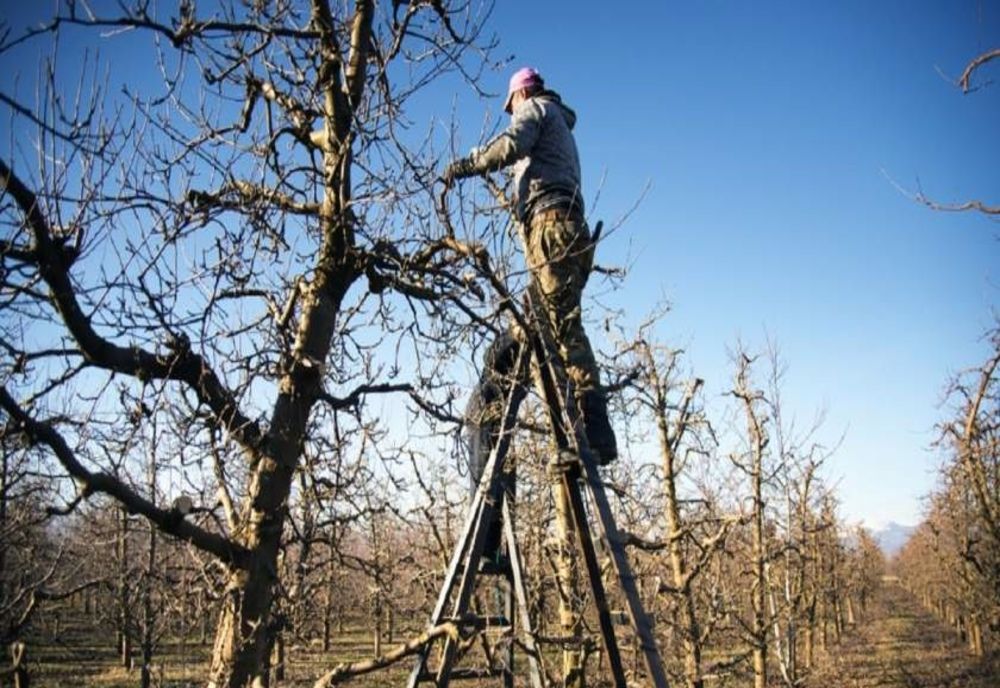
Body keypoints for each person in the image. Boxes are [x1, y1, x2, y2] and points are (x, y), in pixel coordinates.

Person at [443, 67, 617, 465]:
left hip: (552, 228)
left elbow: (510, 145)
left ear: (520, 95)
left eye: (510, 106)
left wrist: (466, 165)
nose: (510, 113)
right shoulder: (560, 128)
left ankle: (595, 434)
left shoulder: (535, 110)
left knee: (563, 328)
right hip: (567, 229)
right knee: (556, 326)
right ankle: (585, 431)